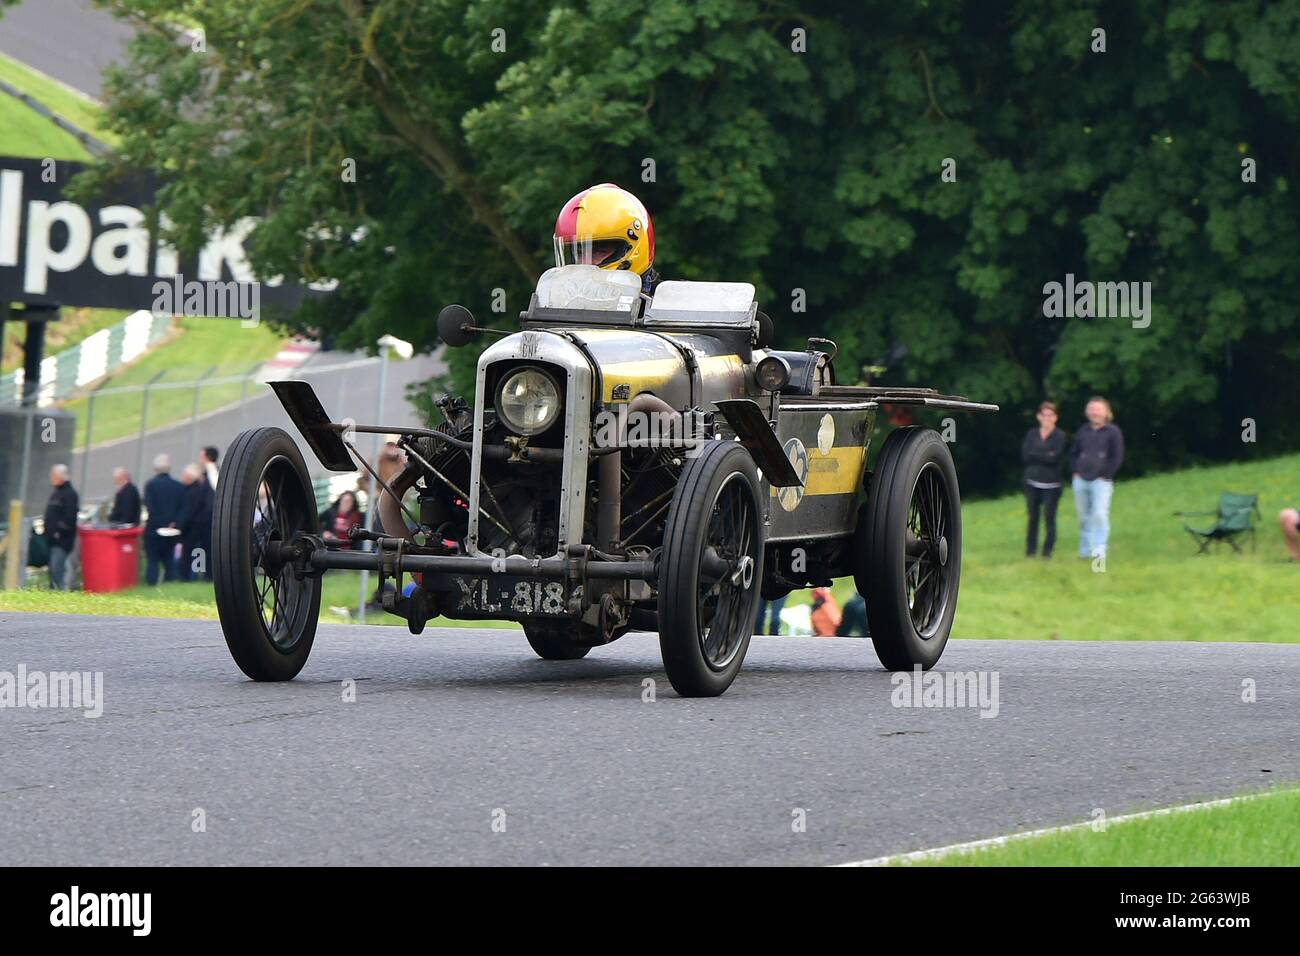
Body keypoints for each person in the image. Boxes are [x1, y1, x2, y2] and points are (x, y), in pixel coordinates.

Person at [553, 183, 658, 294]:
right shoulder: (558, 305)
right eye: (579, 253)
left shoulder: (666, 307)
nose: (584, 265)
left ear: (634, 250)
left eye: (599, 252)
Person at [1071, 396, 1124, 559]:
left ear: (1106, 412)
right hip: (1080, 480)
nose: (1094, 412)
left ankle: (1100, 549)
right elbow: (1074, 453)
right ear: (1087, 412)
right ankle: (1085, 551)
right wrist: (1075, 471)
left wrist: (1106, 475)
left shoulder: (1113, 432)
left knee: (1099, 514)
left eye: (1098, 409)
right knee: (1083, 516)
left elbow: (1117, 456)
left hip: (1101, 481)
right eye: (1091, 409)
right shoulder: (1083, 430)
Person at [1022, 401, 1067, 558]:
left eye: (1050, 415)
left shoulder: (1060, 436)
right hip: (1032, 481)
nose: (1047, 418)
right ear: (1038, 416)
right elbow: (1026, 456)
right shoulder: (1032, 434)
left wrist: (1038, 454)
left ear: (1055, 417)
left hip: (1052, 484)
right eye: (1044, 415)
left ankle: (1047, 551)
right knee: (1033, 516)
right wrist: (1045, 454)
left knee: (1049, 517)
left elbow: (1055, 458)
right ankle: (1031, 550)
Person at [143, 454, 186, 584]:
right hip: (172, 529)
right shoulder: (178, 486)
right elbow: (183, 508)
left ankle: (152, 582)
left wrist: (159, 523)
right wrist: (174, 523)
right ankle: (170, 581)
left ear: (155, 469)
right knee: (169, 558)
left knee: (153, 559)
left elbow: (150, 507)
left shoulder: (150, 485)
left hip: (154, 528)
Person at [42, 464, 79, 590]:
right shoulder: (57, 493)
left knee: (57, 570)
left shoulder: (69, 494)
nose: (52, 478)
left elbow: (70, 518)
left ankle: (60, 593)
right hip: (52, 539)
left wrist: (58, 531)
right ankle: (54, 592)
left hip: (61, 540)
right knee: (53, 570)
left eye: (54, 476)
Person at [177, 464, 214, 581]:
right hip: (203, 526)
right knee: (202, 553)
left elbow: (188, 511)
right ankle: (203, 576)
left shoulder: (189, 492)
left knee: (189, 553)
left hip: (192, 527)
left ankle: (187, 577)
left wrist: (180, 526)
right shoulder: (203, 489)